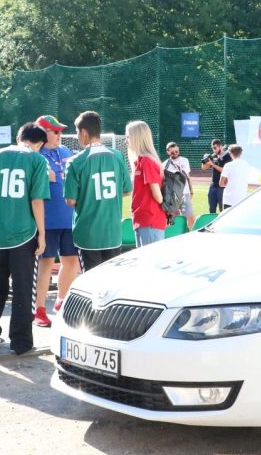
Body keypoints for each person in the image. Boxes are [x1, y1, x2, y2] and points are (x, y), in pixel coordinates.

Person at [0, 123, 50, 354]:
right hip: (23, 234)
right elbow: (36, 201)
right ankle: (21, 342)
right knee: (23, 288)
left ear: (19, 137)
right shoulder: (37, 160)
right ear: (39, 143)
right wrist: (42, 234)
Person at [64, 111, 132, 270]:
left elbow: (70, 200)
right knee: (111, 280)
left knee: (91, 282)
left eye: (77, 131)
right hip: (112, 232)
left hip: (88, 234)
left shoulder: (75, 162)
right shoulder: (117, 156)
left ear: (84, 132)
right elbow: (127, 191)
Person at [33, 115, 78, 328]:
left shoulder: (66, 153)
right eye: (55, 131)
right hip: (47, 221)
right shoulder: (35, 155)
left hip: (69, 219)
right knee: (46, 263)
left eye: (60, 131)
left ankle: (61, 301)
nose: (60, 135)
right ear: (42, 133)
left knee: (72, 261)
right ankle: (39, 309)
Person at [126, 120, 166, 246]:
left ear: (137, 137)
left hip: (150, 219)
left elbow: (157, 194)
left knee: (151, 262)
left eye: (128, 136)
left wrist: (166, 209)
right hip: (142, 219)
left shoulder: (146, 161)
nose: (126, 140)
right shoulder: (140, 161)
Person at [162, 142, 194, 228]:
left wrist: (191, 190)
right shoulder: (164, 165)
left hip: (184, 194)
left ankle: (190, 233)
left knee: (188, 215)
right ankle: (169, 235)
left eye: (176, 151)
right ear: (168, 152)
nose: (175, 153)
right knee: (170, 217)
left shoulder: (184, 160)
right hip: (172, 196)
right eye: (172, 152)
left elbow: (187, 176)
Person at [202, 139, 232, 213]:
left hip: (222, 187)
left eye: (215, 148)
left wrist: (213, 164)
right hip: (213, 186)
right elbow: (204, 168)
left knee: (223, 210)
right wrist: (205, 161)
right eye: (212, 148)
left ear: (220, 146)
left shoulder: (228, 156)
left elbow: (224, 170)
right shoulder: (213, 156)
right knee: (211, 209)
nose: (214, 150)